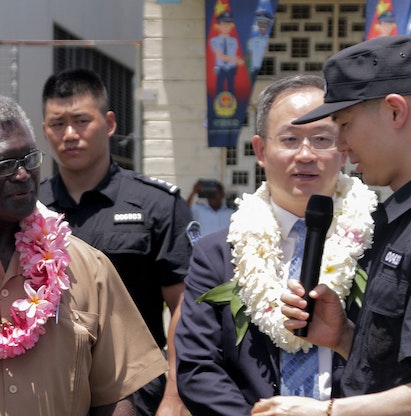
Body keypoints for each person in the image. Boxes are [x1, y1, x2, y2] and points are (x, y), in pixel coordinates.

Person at [175, 75, 377, 415]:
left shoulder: (381, 243)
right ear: (260, 150)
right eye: (290, 139)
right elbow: (197, 367)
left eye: (321, 139)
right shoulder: (217, 255)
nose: (306, 154)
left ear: (343, 148)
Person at [251, 35, 411, 416]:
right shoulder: (396, 219)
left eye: (344, 124)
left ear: (394, 111)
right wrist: (343, 337)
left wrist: (327, 412)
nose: (340, 145)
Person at [0, 95, 167, 415]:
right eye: (6, 164)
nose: (22, 175)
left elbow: (118, 396)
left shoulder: (87, 267)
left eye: (30, 159)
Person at [38, 68, 192, 416]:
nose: (70, 134)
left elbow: (185, 304)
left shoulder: (155, 205)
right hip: (51, 390)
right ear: (45, 130)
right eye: (57, 124)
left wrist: (175, 392)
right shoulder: (31, 208)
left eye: (81, 120)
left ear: (109, 123)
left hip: (136, 390)